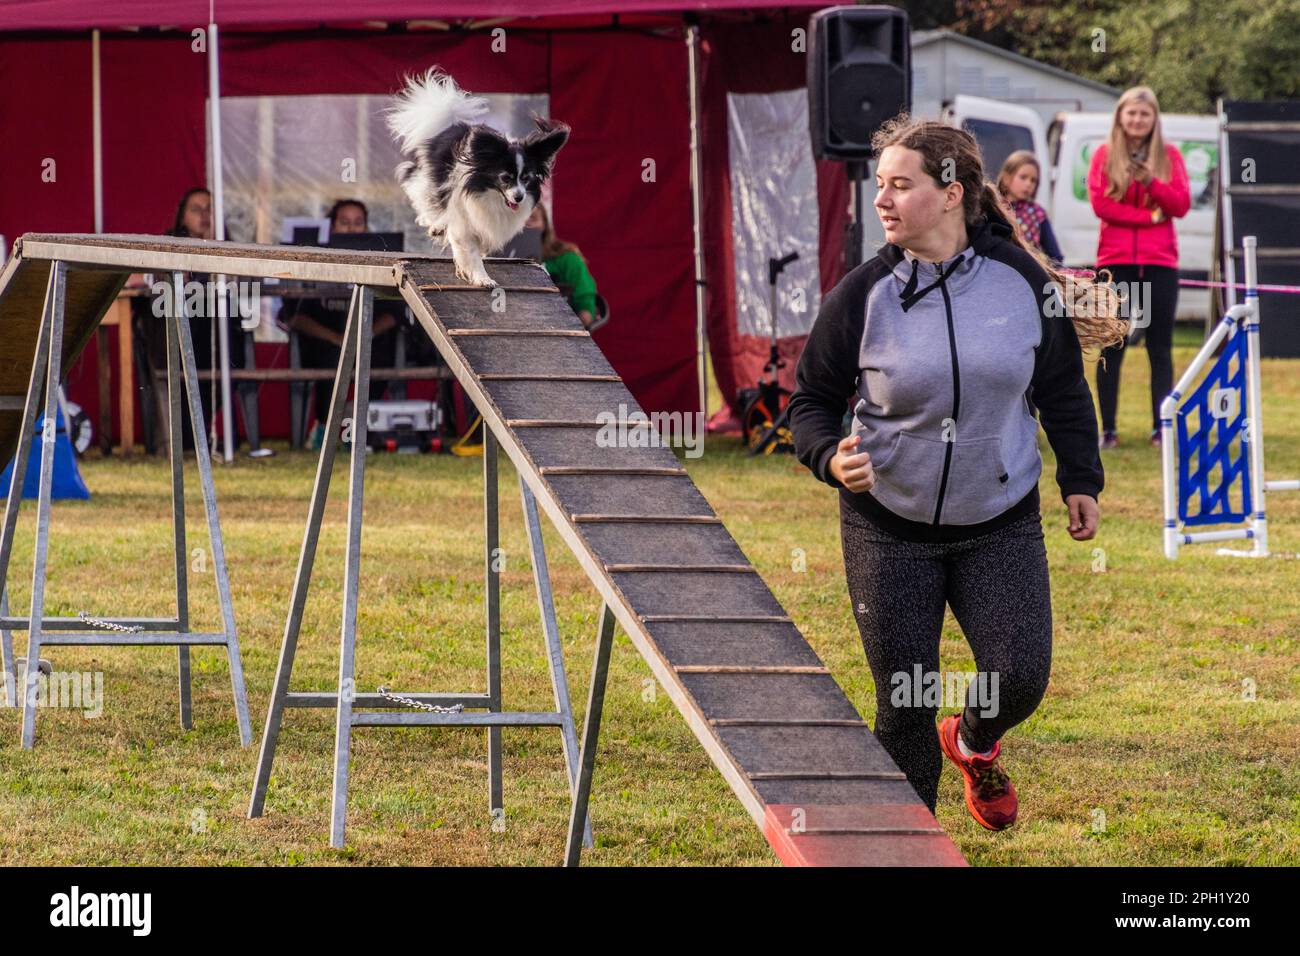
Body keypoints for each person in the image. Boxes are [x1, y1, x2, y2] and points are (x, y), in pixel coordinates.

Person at [788, 115, 1126, 831]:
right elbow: (810, 403)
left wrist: (1081, 480)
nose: (882, 200)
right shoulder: (862, 294)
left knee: (1022, 677)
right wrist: (828, 456)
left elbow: (1063, 388)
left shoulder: (1019, 282)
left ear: (949, 193)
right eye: (878, 185)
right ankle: (910, 848)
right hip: (888, 529)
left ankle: (973, 741)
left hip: (997, 525)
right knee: (905, 704)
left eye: (899, 185)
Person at [1089, 86, 1190, 449]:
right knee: (1113, 343)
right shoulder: (1103, 155)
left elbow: (1179, 205)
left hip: (1160, 262)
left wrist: (1152, 183)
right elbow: (1103, 206)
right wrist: (1150, 216)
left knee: (1159, 347)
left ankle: (1160, 428)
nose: (1137, 120)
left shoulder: (1170, 156)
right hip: (1116, 262)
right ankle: (1108, 429)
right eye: (1131, 113)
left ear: (1154, 119)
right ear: (1120, 116)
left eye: (1144, 114)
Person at [281, 199, 401, 448]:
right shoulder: (312, 264)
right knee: (332, 356)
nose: (351, 229)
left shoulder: (382, 266)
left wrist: (362, 336)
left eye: (358, 223)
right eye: (344, 223)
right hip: (326, 342)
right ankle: (325, 426)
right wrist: (338, 339)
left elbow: (394, 313)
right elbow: (294, 315)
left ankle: (363, 425)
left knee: (376, 352)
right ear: (331, 227)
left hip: (368, 340)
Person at [523, 201, 598, 329]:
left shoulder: (566, 259)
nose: (526, 225)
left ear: (545, 225)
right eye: (519, 219)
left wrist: (578, 324)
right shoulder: (496, 261)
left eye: (532, 218)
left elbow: (585, 301)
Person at [996, 150, 1063, 264]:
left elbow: (1055, 256)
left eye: (1033, 180)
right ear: (1006, 178)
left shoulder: (1037, 214)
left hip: (1027, 275)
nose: (1028, 184)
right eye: (1023, 177)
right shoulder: (994, 208)